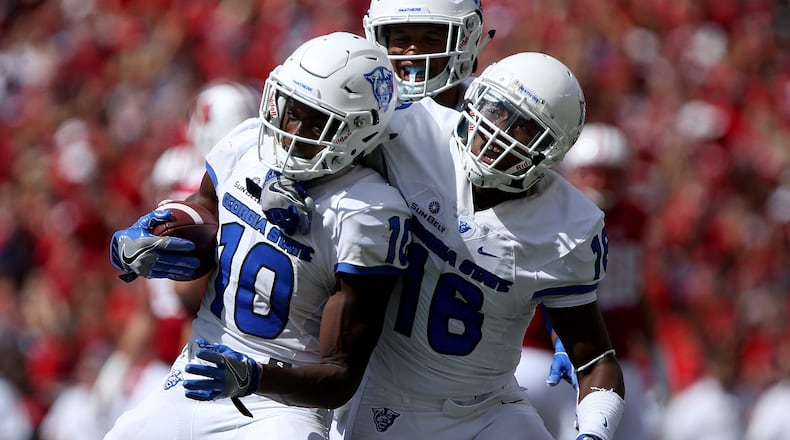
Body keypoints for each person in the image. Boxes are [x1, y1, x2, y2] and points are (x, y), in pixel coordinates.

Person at [104, 31, 411, 439]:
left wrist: (256, 378)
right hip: (193, 374)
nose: (293, 129)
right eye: (291, 109)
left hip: (278, 406)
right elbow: (205, 209)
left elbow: (341, 376)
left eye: (317, 120)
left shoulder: (366, 211)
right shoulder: (248, 141)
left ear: (360, 130)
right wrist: (155, 230)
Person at [340, 52, 625, 439]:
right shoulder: (415, 132)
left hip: (487, 409)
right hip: (384, 393)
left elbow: (594, 361)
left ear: (552, 150)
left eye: (523, 126)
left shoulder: (568, 227)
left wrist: (594, 431)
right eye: (495, 110)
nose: (497, 130)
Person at [94, 80, 260, 428]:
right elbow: (185, 297)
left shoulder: (177, 169)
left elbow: (157, 296)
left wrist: (120, 363)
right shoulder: (233, 187)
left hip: (180, 353)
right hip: (200, 349)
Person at [516, 123, 665, 439]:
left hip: (615, 354)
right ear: (574, 171)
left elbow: (635, 290)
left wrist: (654, 354)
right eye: (593, 172)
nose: (602, 183)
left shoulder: (633, 217)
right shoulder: (555, 211)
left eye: (610, 173)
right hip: (550, 352)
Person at [362, 0, 495, 110]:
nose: (413, 52)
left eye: (431, 39)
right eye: (401, 39)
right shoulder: (361, 108)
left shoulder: (490, 109)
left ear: (463, 42)